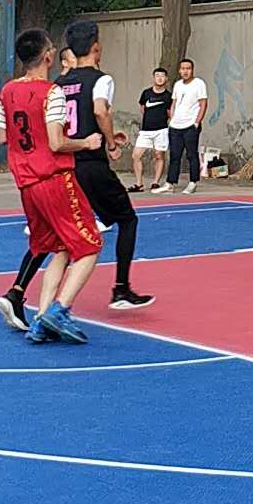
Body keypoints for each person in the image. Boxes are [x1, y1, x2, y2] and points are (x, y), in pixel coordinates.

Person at [0, 29, 108, 344]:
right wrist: (86, 142)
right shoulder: (52, 92)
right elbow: (57, 143)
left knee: (59, 247)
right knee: (90, 245)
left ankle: (41, 319)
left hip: (26, 182)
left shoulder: (8, 90)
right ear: (48, 56)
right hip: (55, 178)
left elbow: (2, 136)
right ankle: (59, 309)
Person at [57, 20, 154, 310]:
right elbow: (100, 110)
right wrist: (110, 142)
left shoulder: (58, 84)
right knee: (127, 219)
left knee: (62, 233)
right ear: (96, 48)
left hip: (64, 165)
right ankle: (121, 289)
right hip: (90, 163)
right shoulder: (101, 79)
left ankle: (19, 289)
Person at [159, 58, 208, 195]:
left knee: (192, 155)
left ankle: (193, 182)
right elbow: (174, 103)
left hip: (190, 125)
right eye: (183, 69)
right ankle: (170, 183)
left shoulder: (199, 83)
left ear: (192, 70)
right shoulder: (178, 85)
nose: (185, 71)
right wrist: (172, 120)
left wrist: (197, 122)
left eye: (188, 68)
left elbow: (203, 104)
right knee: (174, 155)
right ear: (179, 70)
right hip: (175, 126)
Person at [130, 67, 173, 192]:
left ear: (166, 79)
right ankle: (139, 184)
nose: (160, 78)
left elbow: (170, 113)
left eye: (162, 76)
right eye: (157, 75)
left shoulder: (168, 96)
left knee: (159, 155)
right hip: (146, 130)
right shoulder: (146, 93)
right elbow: (142, 108)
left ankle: (155, 182)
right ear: (153, 78)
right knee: (136, 155)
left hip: (161, 130)